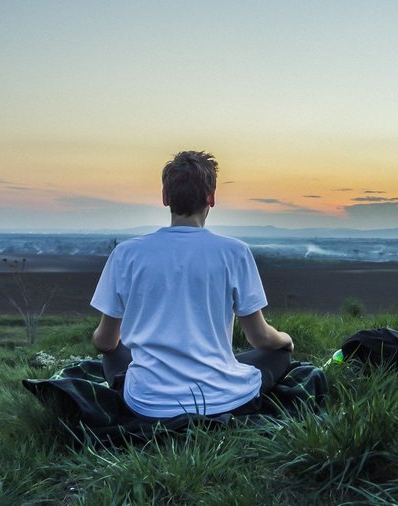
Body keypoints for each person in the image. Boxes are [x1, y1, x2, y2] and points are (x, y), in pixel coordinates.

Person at [90, 150, 294, 419]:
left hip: (147, 402)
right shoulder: (235, 252)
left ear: (165, 197)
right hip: (221, 398)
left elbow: (104, 342)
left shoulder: (126, 254)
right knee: (278, 355)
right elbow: (259, 338)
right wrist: (286, 340)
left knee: (114, 352)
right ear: (211, 197)